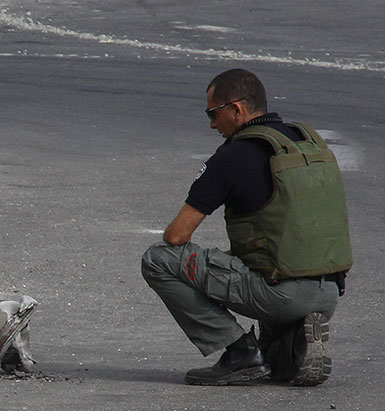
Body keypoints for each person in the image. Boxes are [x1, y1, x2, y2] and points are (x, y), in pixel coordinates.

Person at [141, 68, 353, 386]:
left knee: (159, 259)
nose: (212, 124)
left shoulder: (233, 156)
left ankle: (239, 351)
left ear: (236, 110)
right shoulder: (306, 143)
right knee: (274, 364)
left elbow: (177, 236)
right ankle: (296, 336)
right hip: (328, 291)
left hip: (278, 293)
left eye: (213, 114)